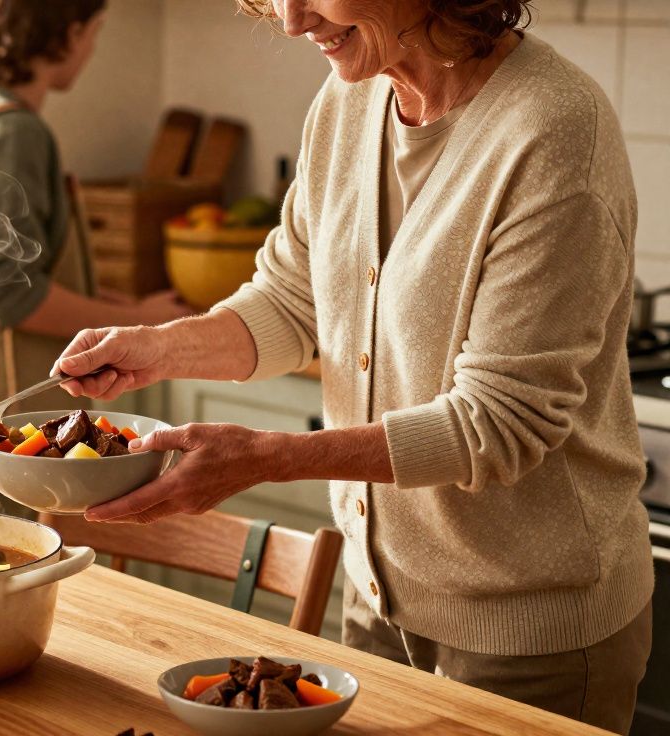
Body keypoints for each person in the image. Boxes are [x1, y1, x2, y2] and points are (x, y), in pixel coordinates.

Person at [53, 0, 652, 732]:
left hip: (527, 637)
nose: (290, 18)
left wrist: (269, 459)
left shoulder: (553, 129)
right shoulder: (349, 97)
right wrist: (160, 347)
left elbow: (501, 422)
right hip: (374, 609)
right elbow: (294, 301)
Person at [0, 0, 190, 410]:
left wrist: (120, 306)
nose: (90, 49)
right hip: (17, 404)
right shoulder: (17, 132)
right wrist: (141, 324)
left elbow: (17, 273)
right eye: (95, 31)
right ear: (71, 33)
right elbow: (7, 293)